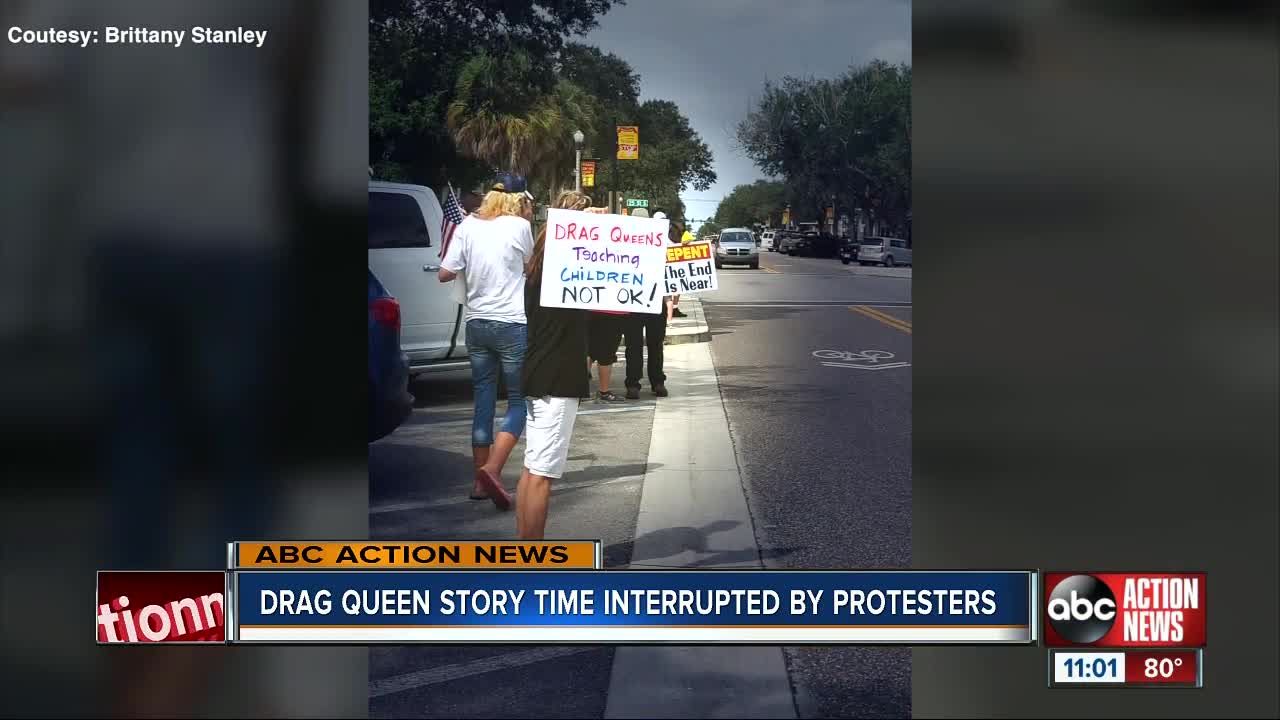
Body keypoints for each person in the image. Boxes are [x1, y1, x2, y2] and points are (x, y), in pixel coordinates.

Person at [439, 173, 536, 509]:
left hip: (477, 322)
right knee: (519, 401)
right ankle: (493, 469)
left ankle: (479, 482)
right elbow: (530, 268)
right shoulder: (520, 227)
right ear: (517, 199)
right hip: (511, 323)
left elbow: (444, 273)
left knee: (482, 401)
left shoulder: (467, 226)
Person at [518, 190, 608, 539]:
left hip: (539, 371)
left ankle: (524, 553)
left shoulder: (543, 262)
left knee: (532, 468)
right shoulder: (564, 270)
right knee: (542, 475)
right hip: (557, 378)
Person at [622, 208, 670, 399]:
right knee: (634, 345)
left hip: (654, 300)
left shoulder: (659, 240)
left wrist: (685, 248)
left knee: (654, 344)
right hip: (633, 301)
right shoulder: (623, 242)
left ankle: (657, 382)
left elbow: (674, 257)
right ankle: (633, 384)